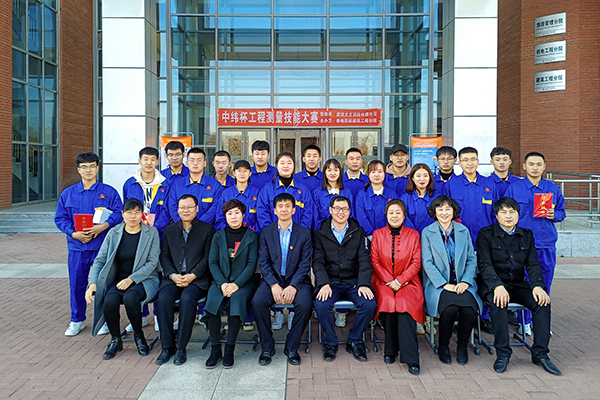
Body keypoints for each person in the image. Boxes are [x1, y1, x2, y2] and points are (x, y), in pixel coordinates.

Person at [476, 197, 561, 375]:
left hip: (517, 283)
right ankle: (503, 354)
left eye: (512, 212)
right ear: (496, 215)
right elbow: (484, 264)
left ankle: (540, 354)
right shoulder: (485, 234)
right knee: (498, 303)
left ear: (518, 214)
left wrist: (537, 286)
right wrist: (497, 286)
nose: (508, 216)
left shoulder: (526, 235)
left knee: (542, 303)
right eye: (503, 212)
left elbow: (533, 264)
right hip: (493, 284)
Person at [55, 152, 123, 337]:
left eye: (92, 166)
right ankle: (77, 320)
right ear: (78, 170)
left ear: (97, 168)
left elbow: (119, 213)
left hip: (102, 247)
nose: (88, 170)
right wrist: (73, 233)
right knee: (77, 284)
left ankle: (103, 320)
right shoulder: (68, 194)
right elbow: (60, 218)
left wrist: (103, 227)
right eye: (84, 167)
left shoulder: (109, 192)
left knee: (104, 284)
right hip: (77, 247)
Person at [84, 199, 160, 360]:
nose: (133, 216)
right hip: (118, 280)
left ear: (142, 214)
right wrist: (92, 283)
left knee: (131, 298)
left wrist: (131, 279)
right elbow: (100, 260)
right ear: (122, 214)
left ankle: (139, 336)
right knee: (110, 300)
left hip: (144, 279)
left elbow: (152, 262)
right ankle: (115, 339)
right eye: (129, 212)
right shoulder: (114, 233)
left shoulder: (151, 233)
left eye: (137, 212)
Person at [505, 152, 565, 335]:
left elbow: (562, 212)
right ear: (524, 166)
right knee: (523, 283)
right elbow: (505, 212)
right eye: (531, 164)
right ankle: (525, 321)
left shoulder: (552, 189)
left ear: (544, 166)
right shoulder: (514, 188)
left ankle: (541, 321)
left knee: (544, 282)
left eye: (539, 164)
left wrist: (554, 215)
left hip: (545, 243)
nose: (535, 167)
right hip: (520, 244)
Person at [251, 193, 314, 366]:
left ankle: (292, 347)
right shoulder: (266, 232)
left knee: (306, 304)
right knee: (258, 302)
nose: (284, 209)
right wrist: (273, 284)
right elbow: (263, 262)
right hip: (273, 280)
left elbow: (305, 263)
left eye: (288, 206)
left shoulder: (304, 233)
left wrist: (293, 286)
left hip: (297, 280)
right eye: (280, 206)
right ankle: (267, 346)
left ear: (294, 210)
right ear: (275, 210)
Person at [313, 196, 377, 363]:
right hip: (331, 283)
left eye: (345, 209)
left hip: (353, 282)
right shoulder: (320, 233)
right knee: (321, 305)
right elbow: (318, 262)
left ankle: (354, 340)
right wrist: (323, 283)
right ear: (330, 210)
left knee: (369, 304)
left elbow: (365, 260)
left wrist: (363, 284)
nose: (341, 212)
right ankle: (331, 343)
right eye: (337, 208)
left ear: (349, 212)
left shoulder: (358, 232)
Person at [421, 195, 482, 366]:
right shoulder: (427, 232)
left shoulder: (463, 231)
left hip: (463, 283)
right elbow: (427, 263)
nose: (444, 212)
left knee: (468, 310)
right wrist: (444, 284)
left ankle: (462, 346)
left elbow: (471, 259)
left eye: (448, 209)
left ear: (454, 211)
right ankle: (443, 346)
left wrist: (466, 282)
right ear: (434, 212)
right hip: (439, 285)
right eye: (440, 209)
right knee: (449, 310)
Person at [155, 194, 215, 365]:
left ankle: (181, 347)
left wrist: (193, 275)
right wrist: (173, 275)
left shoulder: (207, 229)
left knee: (187, 299)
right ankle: (167, 347)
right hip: (173, 278)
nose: (185, 210)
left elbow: (208, 257)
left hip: (197, 279)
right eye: (182, 207)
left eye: (189, 207)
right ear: (177, 210)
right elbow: (164, 256)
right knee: (163, 299)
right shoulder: (169, 230)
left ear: (197, 209)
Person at [370, 199, 423, 374]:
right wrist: (389, 280)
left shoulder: (413, 235)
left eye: (398, 212)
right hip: (383, 281)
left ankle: (411, 357)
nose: (394, 216)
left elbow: (416, 262)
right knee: (388, 303)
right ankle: (390, 349)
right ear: (386, 215)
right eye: (391, 212)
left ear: (404, 215)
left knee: (405, 307)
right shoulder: (378, 234)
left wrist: (400, 281)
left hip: (408, 282)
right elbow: (375, 261)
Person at [204, 199, 259, 369]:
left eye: (237, 213)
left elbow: (251, 265)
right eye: (229, 213)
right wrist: (222, 283)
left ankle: (229, 349)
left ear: (243, 215)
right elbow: (212, 262)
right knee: (212, 302)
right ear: (225, 216)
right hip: (220, 281)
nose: (233, 217)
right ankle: (215, 349)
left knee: (237, 300)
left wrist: (236, 284)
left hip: (244, 282)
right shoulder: (218, 236)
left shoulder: (251, 236)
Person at [122, 147, 169, 333]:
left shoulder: (165, 183)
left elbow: (167, 210)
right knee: (136, 271)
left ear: (157, 162)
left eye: (152, 159)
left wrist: (153, 229)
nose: (149, 163)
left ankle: (158, 315)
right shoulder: (130, 184)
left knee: (157, 273)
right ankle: (140, 315)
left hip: (158, 235)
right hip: (136, 235)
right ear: (139, 161)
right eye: (145, 159)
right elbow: (127, 210)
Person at [442, 147, 496, 249]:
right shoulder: (451, 184)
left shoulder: (489, 183)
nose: (470, 163)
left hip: (487, 237)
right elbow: (445, 213)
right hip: (459, 237)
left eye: (473, 159)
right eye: (465, 160)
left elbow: (496, 212)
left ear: (478, 161)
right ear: (459, 163)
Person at [256, 151, 314, 231]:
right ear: (277, 166)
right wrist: (271, 233)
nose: (286, 166)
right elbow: (262, 213)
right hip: (273, 235)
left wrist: (300, 234)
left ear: (294, 165)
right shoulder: (267, 189)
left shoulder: (303, 190)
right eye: (282, 163)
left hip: (298, 236)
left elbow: (308, 214)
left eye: (289, 163)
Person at [167, 147, 224, 225]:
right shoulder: (177, 185)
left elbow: (215, 208)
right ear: (187, 163)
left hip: (207, 229)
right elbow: (172, 207)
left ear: (205, 163)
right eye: (192, 160)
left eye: (199, 160)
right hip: (181, 229)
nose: (195, 163)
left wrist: (199, 226)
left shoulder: (215, 185)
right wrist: (184, 224)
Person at [355, 160, 399, 238]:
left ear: (384, 174)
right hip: (368, 237)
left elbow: (397, 216)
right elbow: (361, 217)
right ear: (368, 174)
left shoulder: (392, 194)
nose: (377, 175)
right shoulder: (362, 195)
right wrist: (371, 235)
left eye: (380, 171)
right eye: (373, 172)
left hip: (389, 237)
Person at [215, 160, 260, 233]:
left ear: (250, 173)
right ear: (234, 173)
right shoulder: (226, 193)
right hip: (230, 235)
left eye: (245, 171)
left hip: (252, 235)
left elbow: (260, 217)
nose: (242, 174)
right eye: (239, 171)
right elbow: (220, 218)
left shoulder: (257, 193)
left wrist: (254, 234)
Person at [313, 158, 354, 230]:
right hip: (323, 232)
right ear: (324, 172)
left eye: (336, 170)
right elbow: (316, 218)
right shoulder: (317, 193)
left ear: (340, 172)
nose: (332, 173)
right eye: (329, 170)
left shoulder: (347, 192)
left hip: (344, 231)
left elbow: (351, 215)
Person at [400, 163, 438, 234]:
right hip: (410, 236)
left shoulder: (437, 198)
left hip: (432, 236)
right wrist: (414, 235)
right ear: (412, 178)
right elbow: (403, 220)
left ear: (430, 178)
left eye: (425, 176)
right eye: (418, 176)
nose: (422, 179)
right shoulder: (405, 199)